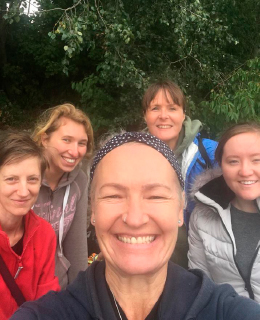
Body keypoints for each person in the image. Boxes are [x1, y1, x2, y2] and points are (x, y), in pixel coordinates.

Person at [11, 132, 260, 320]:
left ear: (181, 210)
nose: (135, 218)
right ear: (93, 211)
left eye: (156, 196)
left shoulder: (227, 311)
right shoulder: (47, 314)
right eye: (113, 196)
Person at [142, 80, 217, 267]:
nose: (163, 116)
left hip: (211, 259)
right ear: (145, 116)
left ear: (184, 115)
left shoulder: (210, 153)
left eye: (172, 108)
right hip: (156, 260)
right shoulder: (135, 157)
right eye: (155, 108)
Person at [188, 122, 260, 302]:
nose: (245, 171)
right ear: (221, 165)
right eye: (233, 161)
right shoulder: (202, 215)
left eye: (257, 160)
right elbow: (199, 284)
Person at [32, 103, 94, 289]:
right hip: (19, 287)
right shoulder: (22, 178)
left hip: (58, 285)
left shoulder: (79, 181)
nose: (75, 152)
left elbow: (76, 244)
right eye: (66, 140)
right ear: (44, 139)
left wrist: (79, 295)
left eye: (81, 143)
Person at [0, 131, 60, 320]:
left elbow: (47, 303)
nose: (24, 191)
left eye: (32, 179)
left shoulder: (44, 234)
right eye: (12, 179)